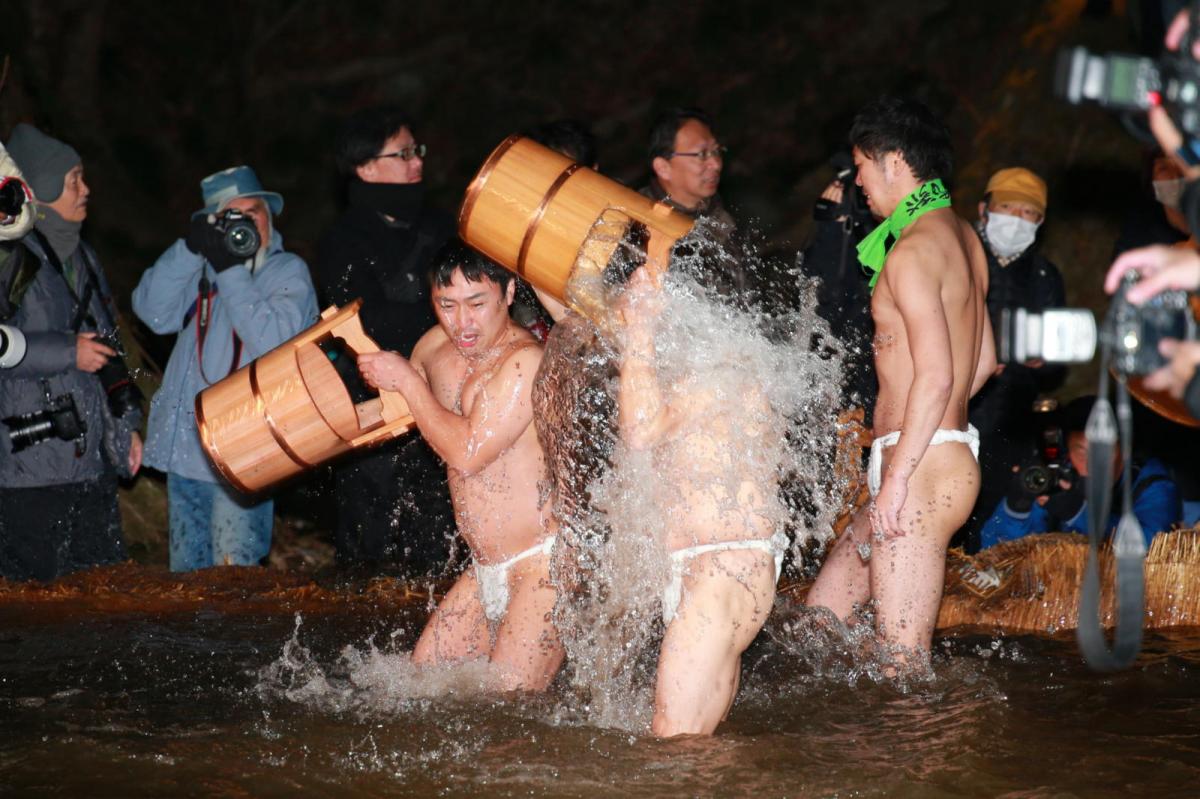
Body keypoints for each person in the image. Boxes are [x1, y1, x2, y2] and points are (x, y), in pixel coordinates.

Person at [805, 96, 996, 666]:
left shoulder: (912, 252)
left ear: (894, 163)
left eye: (860, 166)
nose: (857, 182)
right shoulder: (963, 237)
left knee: (902, 665)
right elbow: (983, 361)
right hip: (926, 459)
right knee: (820, 622)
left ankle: (921, 748)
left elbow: (937, 376)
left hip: (917, 472)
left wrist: (900, 477)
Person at [356, 242, 563, 691]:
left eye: (476, 304)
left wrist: (407, 382)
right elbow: (398, 413)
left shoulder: (525, 360)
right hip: (486, 565)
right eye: (446, 305)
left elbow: (468, 453)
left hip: (545, 564)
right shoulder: (433, 346)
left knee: (510, 714)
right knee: (421, 690)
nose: (461, 322)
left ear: (508, 293)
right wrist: (321, 415)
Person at [613, 263, 787, 736]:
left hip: (723, 569)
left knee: (674, 744)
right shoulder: (697, 364)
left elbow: (641, 431)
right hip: (711, 567)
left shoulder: (721, 370)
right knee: (699, 748)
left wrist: (641, 331)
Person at [132, 166, 318, 572]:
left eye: (253, 211)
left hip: (246, 450)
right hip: (188, 447)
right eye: (229, 217)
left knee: (234, 580)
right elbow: (152, 313)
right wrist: (189, 248)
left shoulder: (288, 272)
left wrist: (230, 271)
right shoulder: (203, 269)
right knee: (187, 581)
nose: (245, 224)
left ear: (270, 215)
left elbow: (272, 342)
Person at [315, 105, 456, 575]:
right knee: (372, 561)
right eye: (403, 154)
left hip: (441, 401)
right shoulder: (343, 240)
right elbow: (368, 322)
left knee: (441, 553)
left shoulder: (440, 227)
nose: (418, 161)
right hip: (374, 419)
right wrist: (444, 320)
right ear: (366, 166)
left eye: (418, 150)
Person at [0, 123, 143, 582]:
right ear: (40, 187)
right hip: (28, 474)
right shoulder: (8, 258)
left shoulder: (83, 258)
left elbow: (106, 348)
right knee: (38, 612)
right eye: (73, 179)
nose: (86, 190)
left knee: (101, 599)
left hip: (91, 465)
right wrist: (66, 352)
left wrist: (124, 434)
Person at [963, 167, 1067, 548]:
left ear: (1040, 223)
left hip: (1011, 417)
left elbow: (1057, 364)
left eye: (1029, 214)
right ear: (984, 209)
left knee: (990, 515)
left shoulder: (1043, 276)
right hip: (956, 406)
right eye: (1008, 208)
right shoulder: (958, 254)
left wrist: (1043, 361)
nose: (1017, 221)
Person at [980, 395, 1181, 549]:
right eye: (1082, 453)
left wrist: (1079, 514)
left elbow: (1152, 547)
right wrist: (1017, 507)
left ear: (1126, 451)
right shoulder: (1058, 478)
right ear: (1067, 452)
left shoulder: (1153, 486)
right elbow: (995, 552)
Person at [639, 107, 747, 297]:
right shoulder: (639, 225)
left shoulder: (721, 217)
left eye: (716, 151)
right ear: (663, 168)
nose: (716, 164)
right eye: (702, 154)